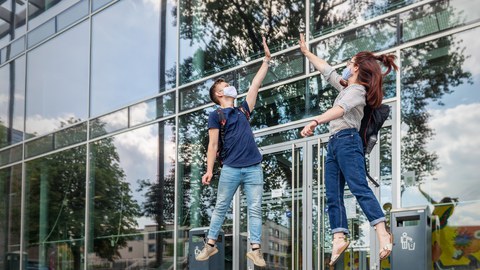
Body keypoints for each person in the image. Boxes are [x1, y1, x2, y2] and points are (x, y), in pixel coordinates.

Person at [298, 33, 396, 266]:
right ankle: (339, 237)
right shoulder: (346, 87)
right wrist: (306, 52)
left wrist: (315, 121)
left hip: (347, 141)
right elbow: (327, 70)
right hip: (334, 144)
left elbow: (340, 110)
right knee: (332, 194)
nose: (344, 66)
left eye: (349, 62)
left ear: (356, 68)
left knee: (358, 187)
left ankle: (382, 231)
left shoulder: (358, 91)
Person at [195, 36, 271, 268]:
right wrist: (209, 171)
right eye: (224, 86)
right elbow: (213, 145)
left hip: (253, 167)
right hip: (230, 168)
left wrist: (266, 62)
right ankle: (210, 244)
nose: (229, 87)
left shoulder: (243, 111)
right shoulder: (216, 115)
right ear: (219, 94)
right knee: (221, 206)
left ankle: (255, 250)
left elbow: (255, 85)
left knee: (255, 208)